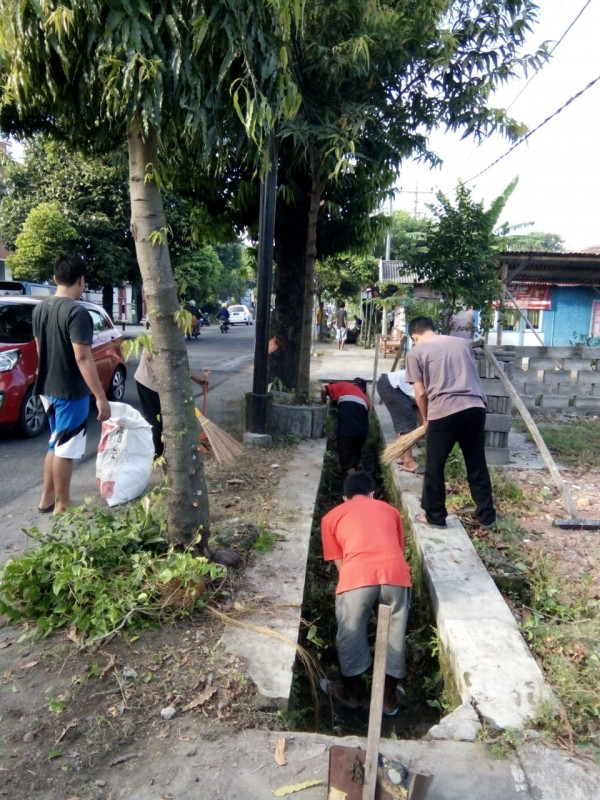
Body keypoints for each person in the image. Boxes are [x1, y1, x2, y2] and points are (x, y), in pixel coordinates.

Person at [320, 471, 411, 716]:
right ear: (373, 494)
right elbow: (396, 550)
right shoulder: (390, 511)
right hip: (395, 573)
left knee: (350, 633)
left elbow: (341, 564)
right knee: (395, 634)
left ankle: (352, 696)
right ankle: (387, 701)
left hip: (356, 574)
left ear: (344, 498)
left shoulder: (330, 517)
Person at [32, 252, 111, 515]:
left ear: (55, 278)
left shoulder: (40, 308)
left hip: (47, 387)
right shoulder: (77, 313)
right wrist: (100, 397)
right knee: (66, 449)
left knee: (55, 443)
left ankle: (47, 499)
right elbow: (82, 357)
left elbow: (41, 350)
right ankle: (63, 504)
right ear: (81, 280)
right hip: (69, 389)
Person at [405, 315, 496, 529]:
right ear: (433, 329)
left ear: (414, 336)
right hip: (475, 407)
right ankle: (487, 516)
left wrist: (426, 419)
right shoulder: (462, 343)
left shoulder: (416, 352)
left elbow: (420, 392)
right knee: (476, 463)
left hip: (444, 411)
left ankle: (435, 516)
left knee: (435, 466)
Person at [134, 348, 209, 459]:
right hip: (148, 383)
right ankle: (156, 454)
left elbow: (178, 363)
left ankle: (164, 450)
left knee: (167, 419)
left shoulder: (176, 335)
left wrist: (197, 379)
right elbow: (149, 357)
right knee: (156, 421)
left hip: (163, 385)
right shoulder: (160, 334)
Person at [376, 369, 423, 473]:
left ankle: (402, 456)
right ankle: (408, 462)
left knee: (411, 422)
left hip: (402, 389)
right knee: (406, 422)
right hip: (391, 386)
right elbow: (421, 396)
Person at [321, 377, 370, 475]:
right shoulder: (366, 400)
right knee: (354, 459)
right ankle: (353, 475)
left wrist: (323, 402)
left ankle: (354, 484)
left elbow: (323, 389)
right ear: (363, 390)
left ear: (353, 384)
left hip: (346, 431)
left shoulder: (343, 385)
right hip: (362, 432)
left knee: (347, 464)